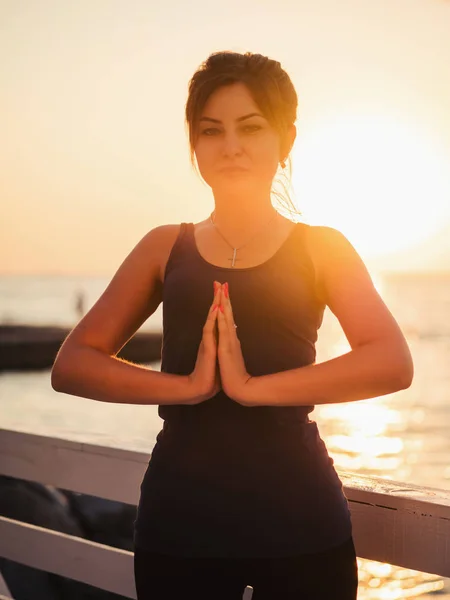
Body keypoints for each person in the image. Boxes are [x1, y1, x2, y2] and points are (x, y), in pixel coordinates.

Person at [51, 50, 414, 600]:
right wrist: (187, 387)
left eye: (251, 127)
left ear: (285, 140)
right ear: (195, 145)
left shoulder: (322, 248)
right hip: (180, 525)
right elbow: (73, 364)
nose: (232, 145)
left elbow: (391, 361)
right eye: (211, 130)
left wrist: (252, 389)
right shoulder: (164, 246)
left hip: (301, 521)